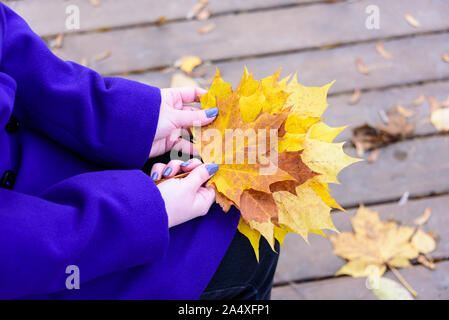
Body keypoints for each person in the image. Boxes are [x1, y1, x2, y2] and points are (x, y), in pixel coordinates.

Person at [0, 3, 279, 300]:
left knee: (206, 163)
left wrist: (123, 119)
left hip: (35, 150)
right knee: (245, 243)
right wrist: (142, 213)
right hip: (37, 256)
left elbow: (10, 45)